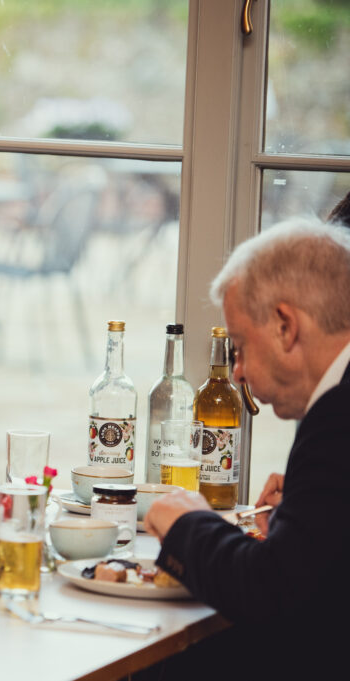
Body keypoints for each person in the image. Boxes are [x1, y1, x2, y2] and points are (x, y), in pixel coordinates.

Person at [144, 217, 350, 676]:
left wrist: (189, 523)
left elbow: (271, 591)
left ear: (285, 326)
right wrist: (307, 516)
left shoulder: (338, 416)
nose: (236, 371)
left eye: (239, 346)